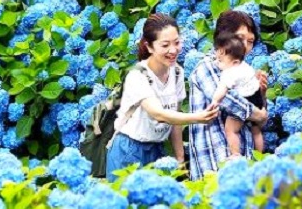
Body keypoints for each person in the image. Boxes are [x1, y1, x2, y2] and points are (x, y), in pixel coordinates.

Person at [105, 14, 219, 179]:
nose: (173, 50)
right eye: (165, 45)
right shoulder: (138, 76)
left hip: (157, 150)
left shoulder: (177, 72)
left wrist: (180, 158)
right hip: (129, 150)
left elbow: (175, 120)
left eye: (177, 43)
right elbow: (158, 113)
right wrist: (198, 117)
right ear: (149, 46)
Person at [189, 10, 268, 180]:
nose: (245, 45)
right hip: (215, 162)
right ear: (223, 37)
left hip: (242, 162)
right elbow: (228, 100)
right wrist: (259, 113)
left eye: (251, 41)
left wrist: (260, 93)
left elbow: (259, 121)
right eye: (240, 38)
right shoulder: (207, 66)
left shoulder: (242, 70)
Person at [209, 30, 265, 157]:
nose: (218, 63)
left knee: (231, 129)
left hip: (246, 100)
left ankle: (235, 154)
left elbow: (222, 90)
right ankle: (260, 156)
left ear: (234, 63)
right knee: (256, 130)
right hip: (256, 96)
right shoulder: (245, 65)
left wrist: (215, 101)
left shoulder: (230, 73)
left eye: (221, 61)